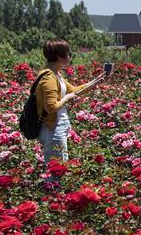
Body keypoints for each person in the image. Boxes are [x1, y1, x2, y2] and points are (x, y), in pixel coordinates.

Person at [35, 39, 105, 182]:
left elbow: (74, 90)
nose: (70, 58)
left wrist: (95, 82)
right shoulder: (49, 77)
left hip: (57, 128)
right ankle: (53, 198)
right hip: (53, 130)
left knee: (61, 167)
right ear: (60, 57)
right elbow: (51, 107)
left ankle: (57, 196)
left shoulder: (55, 74)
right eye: (69, 54)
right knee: (56, 172)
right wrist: (67, 98)